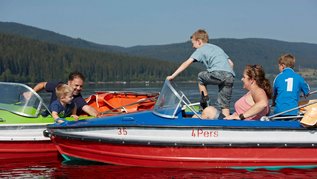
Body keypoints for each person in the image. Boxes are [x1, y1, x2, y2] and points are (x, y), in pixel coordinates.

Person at [167, 29, 235, 116]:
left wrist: (173, 76)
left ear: (199, 41)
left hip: (218, 74)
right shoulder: (217, 48)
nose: (193, 47)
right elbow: (231, 64)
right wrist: (227, 75)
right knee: (225, 104)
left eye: (193, 43)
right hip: (230, 76)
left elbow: (187, 63)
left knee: (200, 76)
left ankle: (206, 104)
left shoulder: (201, 49)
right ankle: (227, 121)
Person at [200, 65, 272, 120]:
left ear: (251, 80)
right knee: (197, 115)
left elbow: (263, 104)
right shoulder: (255, 91)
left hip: (240, 125)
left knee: (209, 111)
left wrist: (241, 116)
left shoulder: (258, 90)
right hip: (235, 122)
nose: (242, 79)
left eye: (244, 77)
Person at [32, 71, 99, 117]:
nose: (78, 88)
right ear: (69, 83)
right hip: (48, 114)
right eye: (76, 85)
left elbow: (87, 108)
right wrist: (31, 93)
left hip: (59, 120)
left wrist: (98, 115)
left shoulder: (78, 98)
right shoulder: (58, 86)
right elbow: (43, 84)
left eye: (81, 86)